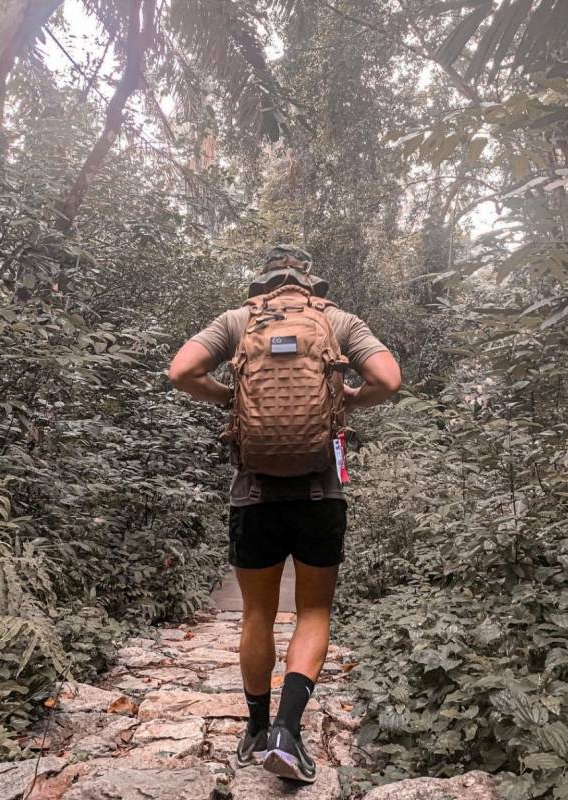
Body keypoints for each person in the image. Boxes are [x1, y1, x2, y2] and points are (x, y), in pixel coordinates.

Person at [168, 244, 400, 782]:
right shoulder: (337, 321)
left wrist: (230, 396)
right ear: (308, 281)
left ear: (262, 283)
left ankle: (253, 729)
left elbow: (180, 371)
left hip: (254, 492)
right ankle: (287, 731)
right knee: (313, 612)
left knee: (257, 614)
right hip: (320, 492)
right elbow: (388, 380)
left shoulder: (237, 321)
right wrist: (345, 399)